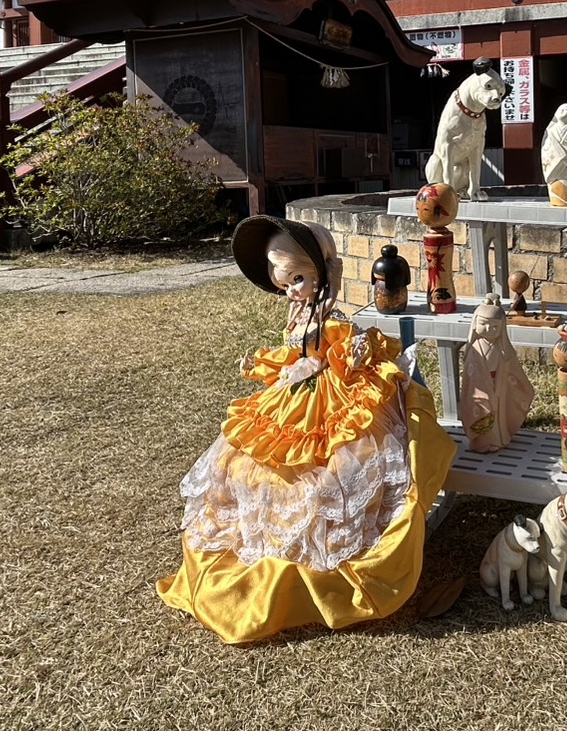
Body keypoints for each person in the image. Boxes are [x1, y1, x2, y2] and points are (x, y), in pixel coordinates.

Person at [157, 215, 455, 644]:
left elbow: (338, 348)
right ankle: (277, 542)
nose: (292, 291)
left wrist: (352, 352)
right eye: (284, 284)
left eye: (297, 279)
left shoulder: (328, 317)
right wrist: (265, 365)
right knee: (259, 462)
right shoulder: (300, 313)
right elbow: (292, 353)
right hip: (296, 391)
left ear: (319, 272)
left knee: (335, 468)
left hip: (331, 395)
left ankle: (330, 553)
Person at [460, 293, 536, 452]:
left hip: (499, 386)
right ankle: (481, 442)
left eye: (495, 326)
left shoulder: (503, 350)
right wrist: (484, 388)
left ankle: (499, 439)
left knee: (499, 414)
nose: (489, 329)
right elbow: (471, 374)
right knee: (483, 412)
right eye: (484, 324)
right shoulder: (474, 349)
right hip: (480, 389)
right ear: (475, 324)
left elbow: (512, 370)